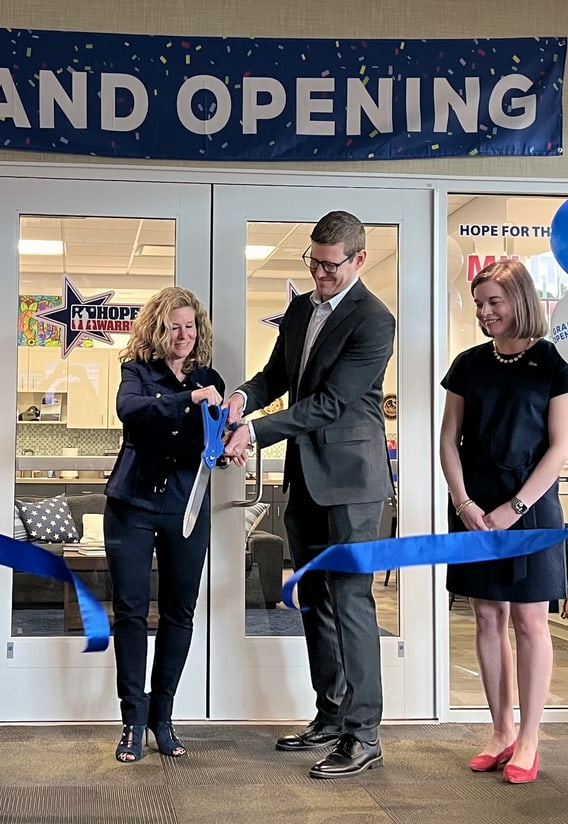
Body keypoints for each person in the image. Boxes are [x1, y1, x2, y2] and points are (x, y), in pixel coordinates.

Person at [223, 210, 395, 779]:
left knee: (350, 602)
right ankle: (330, 715)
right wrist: (244, 398)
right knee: (316, 601)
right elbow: (278, 375)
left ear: (358, 259)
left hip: (352, 481)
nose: (319, 274)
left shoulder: (374, 320)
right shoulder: (301, 308)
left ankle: (363, 734)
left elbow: (330, 403)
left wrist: (257, 432)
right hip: (305, 478)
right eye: (313, 263)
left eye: (330, 266)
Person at [439, 259, 568, 785]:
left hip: (531, 506)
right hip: (475, 509)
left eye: (494, 302)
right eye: (479, 304)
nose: (484, 312)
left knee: (529, 622)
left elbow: (560, 447)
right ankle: (500, 731)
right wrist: (463, 503)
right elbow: (448, 442)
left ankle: (529, 738)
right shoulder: (468, 364)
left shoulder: (556, 363)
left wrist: (515, 507)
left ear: (520, 300)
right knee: (486, 618)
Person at [103, 286, 226, 763]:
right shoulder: (136, 372)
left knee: (180, 613)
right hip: (131, 504)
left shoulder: (211, 376)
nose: (184, 334)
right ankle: (132, 721)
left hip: (186, 508)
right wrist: (189, 398)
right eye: (174, 326)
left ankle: (162, 717)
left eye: (190, 325)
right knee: (131, 613)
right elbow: (132, 410)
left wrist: (230, 439)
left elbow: (217, 434)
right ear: (158, 328)